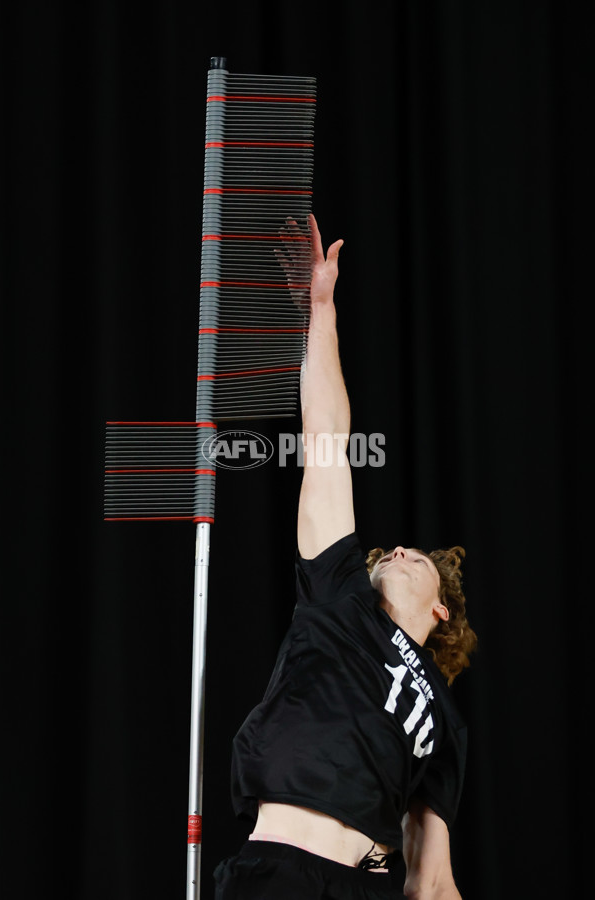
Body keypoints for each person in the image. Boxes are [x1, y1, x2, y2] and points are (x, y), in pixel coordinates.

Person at [213, 215, 477, 899]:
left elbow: (433, 881)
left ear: (442, 607)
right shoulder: (339, 598)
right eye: (389, 550)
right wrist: (321, 310)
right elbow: (328, 439)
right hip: (274, 873)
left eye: (413, 556)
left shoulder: (445, 724)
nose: (392, 550)